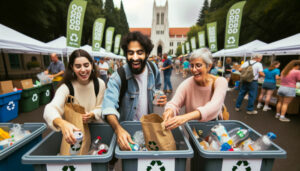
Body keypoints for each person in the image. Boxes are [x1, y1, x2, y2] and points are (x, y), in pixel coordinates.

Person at [101, 31, 167, 151]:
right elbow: (108, 107)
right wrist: (118, 129)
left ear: (147, 53)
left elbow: (157, 87)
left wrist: (160, 97)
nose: (135, 57)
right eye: (131, 53)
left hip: (148, 128)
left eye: (140, 52)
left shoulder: (154, 69)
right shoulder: (117, 77)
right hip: (126, 131)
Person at [43, 49, 105, 145]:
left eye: (86, 65)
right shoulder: (66, 88)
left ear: (92, 65)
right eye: (78, 66)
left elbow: (102, 106)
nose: (83, 70)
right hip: (75, 134)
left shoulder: (99, 83)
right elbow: (50, 109)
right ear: (72, 67)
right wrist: (62, 123)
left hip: (97, 130)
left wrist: (92, 114)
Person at [162, 48, 228, 130]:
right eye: (192, 65)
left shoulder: (220, 82)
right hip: (194, 130)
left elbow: (214, 106)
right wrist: (169, 111)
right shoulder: (187, 84)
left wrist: (185, 117)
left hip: (215, 129)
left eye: (198, 65)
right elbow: (174, 103)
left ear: (209, 66)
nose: (193, 69)